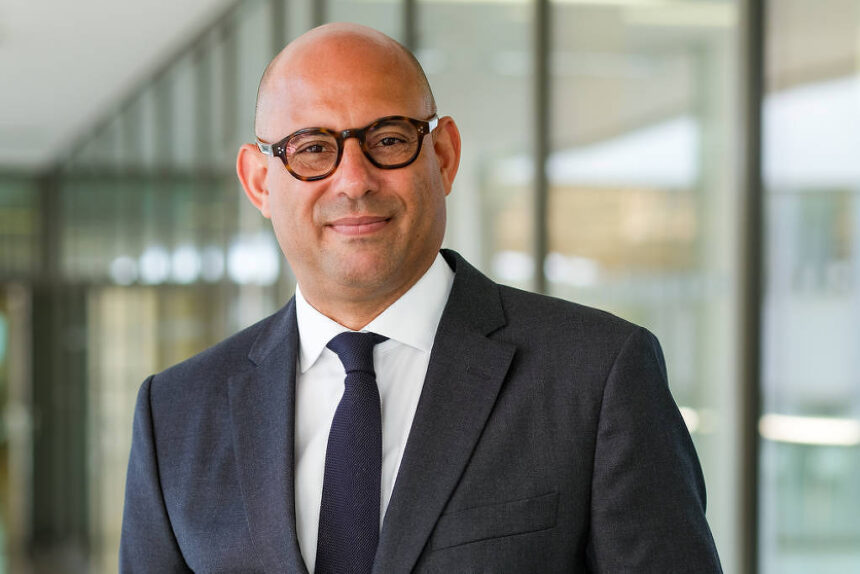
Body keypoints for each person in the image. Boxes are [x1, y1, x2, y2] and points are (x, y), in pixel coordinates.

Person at [120, 22, 722, 573]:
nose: (354, 180)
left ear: (443, 156)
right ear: (259, 182)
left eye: (387, 139)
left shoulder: (597, 375)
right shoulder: (173, 412)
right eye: (311, 149)